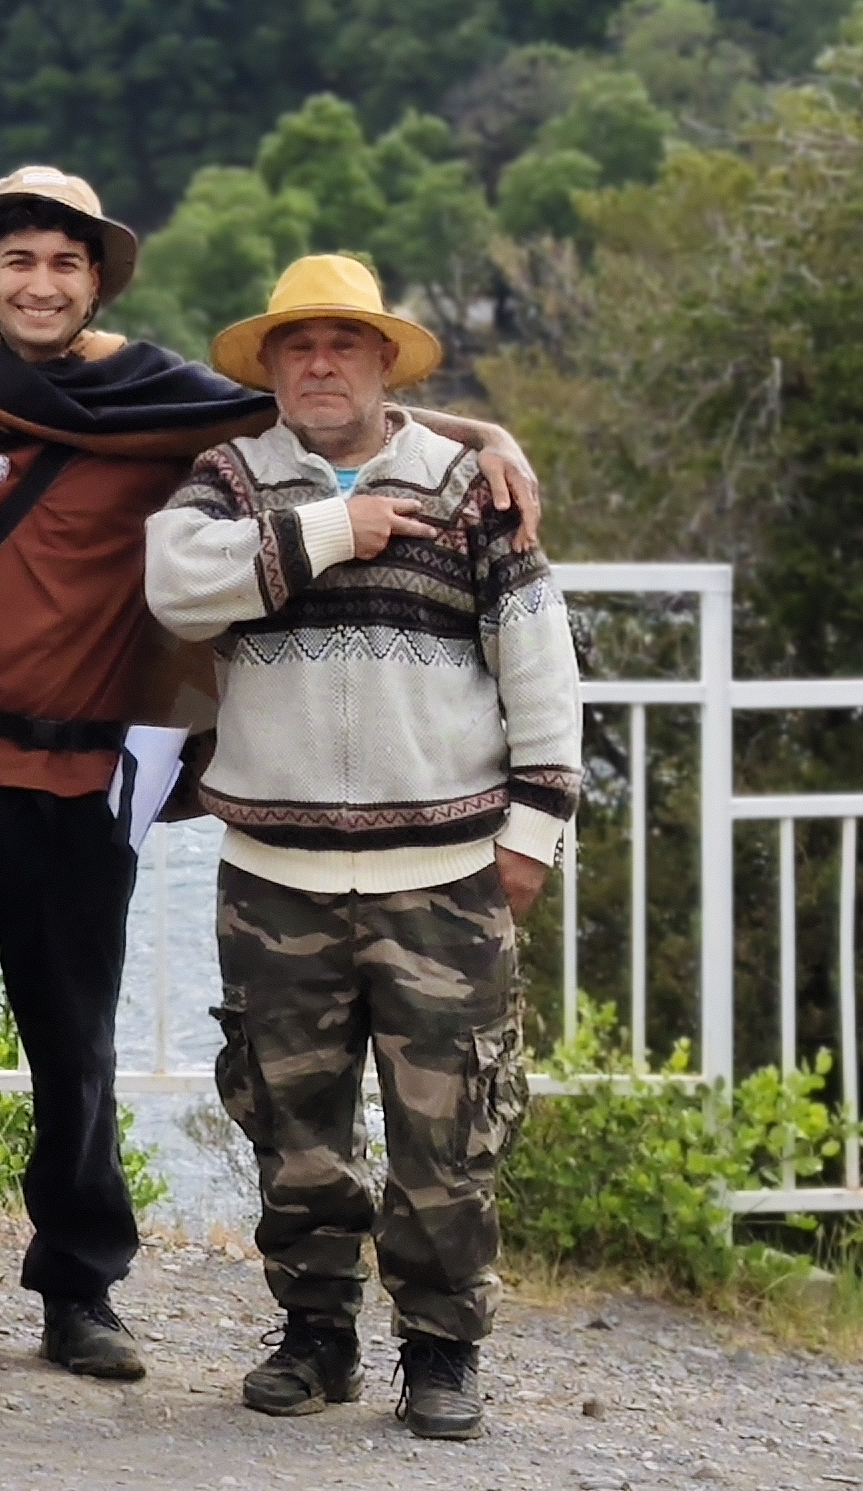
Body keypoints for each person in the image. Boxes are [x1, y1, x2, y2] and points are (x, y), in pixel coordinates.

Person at [0, 168, 544, 1381]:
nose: (41, 284)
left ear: (98, 277)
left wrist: (484, 434)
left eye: (65, 262)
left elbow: (323, 417)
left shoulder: (156, 403)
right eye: (18, 263)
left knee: (75, 1050)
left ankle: (78, 1291)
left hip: (80, 781)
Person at [147, 255, 577, 1444]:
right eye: (298, 346)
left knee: (449, 1137)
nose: (321, 363)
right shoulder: (228, 482)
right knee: (291, 1130)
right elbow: (173, 587)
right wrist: (332, 527)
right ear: (271, 367)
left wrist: (532, 834)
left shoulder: (469, 486)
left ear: (386, 362)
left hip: (443, 874)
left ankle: (442, 1354)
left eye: (344, 343)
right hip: (273, 873)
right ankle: (316, 1336)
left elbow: (540, 669)